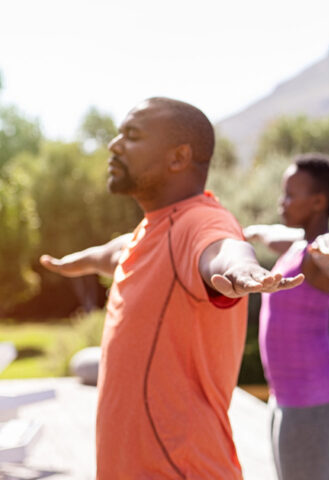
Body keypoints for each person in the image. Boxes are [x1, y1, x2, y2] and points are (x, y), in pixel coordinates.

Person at [39, 97, 303, 479]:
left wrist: (243, 271)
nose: (114, 145)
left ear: (178, 157)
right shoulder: (152, 230)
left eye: (131, 136)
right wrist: (76, 261)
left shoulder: (200, 221)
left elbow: (224, 248)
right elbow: (116, 251)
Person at [244, 153, 329, 480]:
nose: (282, 202)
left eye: (291, 195)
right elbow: (273, 233)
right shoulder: (296, 244)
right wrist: (249, 231)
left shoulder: (318, 252)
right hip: (289, 396)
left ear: (319, 201)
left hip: (314, 401)